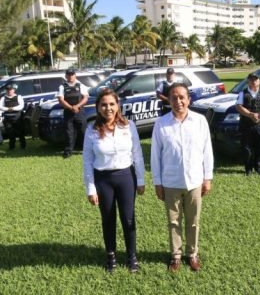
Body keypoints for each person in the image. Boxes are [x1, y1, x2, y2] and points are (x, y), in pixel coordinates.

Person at [151, 83, 213, 273]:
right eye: (174, 98)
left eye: (182, 97)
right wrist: (158, 182)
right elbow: (155, 155)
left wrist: (207, 177)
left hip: (195, 180)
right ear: (168, 100)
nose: (178, 101)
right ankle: (176, 256)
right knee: (173, 221)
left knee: (193, 221)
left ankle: (192, 254)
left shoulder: (200, 121)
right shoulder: (161, 123)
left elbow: (207, 151)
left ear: (189, 99)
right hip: (170, 182)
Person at [83, 88, 146, 273]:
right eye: (103, 104)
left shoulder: (129, 126)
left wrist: (140, 179)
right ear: (98, 107)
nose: (108, 108)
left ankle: (132, 257)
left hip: (126, 177)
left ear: (118, 105)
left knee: (128, 219)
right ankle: (111, 257)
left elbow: (137, 154)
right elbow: (87, 160)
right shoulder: (91, 130)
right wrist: (91, 189)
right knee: (108, 220)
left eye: (112, 104)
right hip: (103, 180)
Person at [235, 72, 260, 176]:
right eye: (251, 79)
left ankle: (258, 167)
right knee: (247, 147)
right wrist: (250, 115)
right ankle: (248, 169)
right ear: (248, 81)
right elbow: (238, 106)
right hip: (246, 123)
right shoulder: (243, 93)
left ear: (259, 81)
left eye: (255, 79)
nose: (253, 81)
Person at [57, 69, 89, 158]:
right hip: (68, 112)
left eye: (72, 74)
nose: (71, 76)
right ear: (66, 76)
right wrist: (71, 108)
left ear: (75, 75)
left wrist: (77, 106)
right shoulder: (62, 87)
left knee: (83, 131)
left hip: (79, 111)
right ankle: (68, 151)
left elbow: (85, 98)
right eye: (69, 75)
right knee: (69, 132)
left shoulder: (81, 85)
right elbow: (61, 100)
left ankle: (86, 150)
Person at [0, 83, 26, 150]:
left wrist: (12, 108)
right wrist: (8, 109)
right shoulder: (3, 98)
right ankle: (12, 146)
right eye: (8, 90)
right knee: (10, 133)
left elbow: (21, 106)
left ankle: (23, 146)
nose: (9, 91)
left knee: (20, 132)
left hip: (17, 117)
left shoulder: (18, 96)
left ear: (13, 90)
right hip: (7, 118)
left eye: (10, 89)